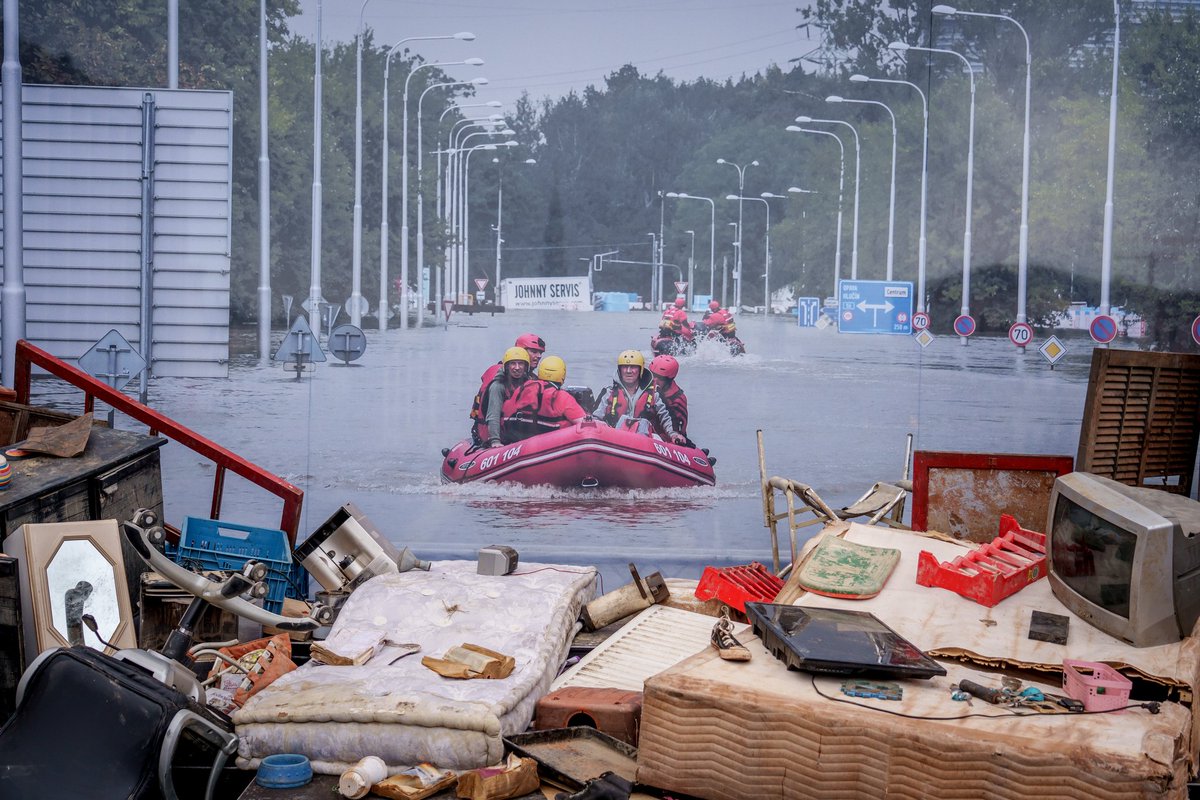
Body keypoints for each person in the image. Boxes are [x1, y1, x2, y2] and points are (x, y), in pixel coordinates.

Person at [593, 350, 685, 444]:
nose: (628, 371)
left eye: (633, 367)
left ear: (640, 370)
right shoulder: (609, 392)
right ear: (619, 369)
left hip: (646, 439)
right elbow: (596, 417)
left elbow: (666, 417)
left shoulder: (655, 393)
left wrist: (674, 434)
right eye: (625, 367)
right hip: (613, 438)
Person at [469, 333, 545, 443]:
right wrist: (495, 440)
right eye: (534, 351)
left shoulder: (531, 379)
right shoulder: (499, 379)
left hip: (517, 434)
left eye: (540, 353)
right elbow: (493, 413)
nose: (539, 356)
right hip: (495, 436)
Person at [498, 355, 586, 442]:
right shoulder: (561, 396)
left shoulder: (522, 389)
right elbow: (585, 424)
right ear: (562, 374)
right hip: (551, 444)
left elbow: (507, 413)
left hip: (518, 442)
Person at [478, 347, 530, 448]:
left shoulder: (529, 384)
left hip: (521, 436)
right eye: (513, 363)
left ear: (526, 366)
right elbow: (493, 415)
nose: (517, 367)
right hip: (503, 438)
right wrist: (495, 440)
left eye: (521, 364)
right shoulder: (498, 386)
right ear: (506, 366)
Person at [647, 354, 689, 443]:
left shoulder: (677, 400)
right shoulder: (643, 387)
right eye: (652, 375)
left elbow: (677, 430)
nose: (654, 380)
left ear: (669, 380)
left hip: (662, 440)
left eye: (660, 377)